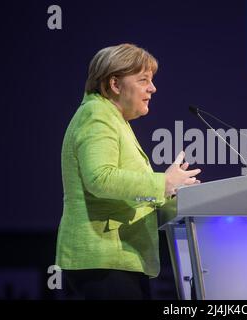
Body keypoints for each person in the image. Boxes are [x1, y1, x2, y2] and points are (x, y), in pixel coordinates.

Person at [55, 43, 201, 300]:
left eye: (152, 80)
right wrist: (162, 183)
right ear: (115, 84)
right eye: (144, 80)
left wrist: (171, 192)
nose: (153, 88)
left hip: (117, 260)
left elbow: (128, 192)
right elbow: (100, 179)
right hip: (104, 259)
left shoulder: (112, 117)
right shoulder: (97, 115)